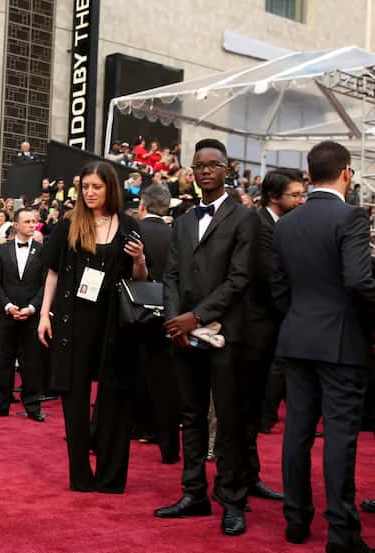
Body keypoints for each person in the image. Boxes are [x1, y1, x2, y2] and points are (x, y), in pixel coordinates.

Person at [273, 141, 375, 553]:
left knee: (296, 433)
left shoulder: (286, 223)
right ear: (347, 173)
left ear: (309, 175)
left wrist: (300, 319)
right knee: (339, 436)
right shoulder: (351, 216)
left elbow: (278, 289)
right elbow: (359, 281)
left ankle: (296, 521)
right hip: (340, 342)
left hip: (296, 337)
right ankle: (341, 532)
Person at [155, 138, 258, 537]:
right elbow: (170, 277)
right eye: (198, 165)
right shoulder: (182, 221)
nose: (205, 170)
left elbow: (239, 280)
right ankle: (193, 492)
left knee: (229, 417)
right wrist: (173, 322)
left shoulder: (243, 218)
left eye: (213, 164)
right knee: (191, 415)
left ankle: (232, 499)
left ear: (228, 169)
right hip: (182, 334)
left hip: (224, 333)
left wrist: (195, 317)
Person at [37, 160, 148, 493]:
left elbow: (140, 280)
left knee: (115, 397)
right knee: (74, 398)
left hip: (115, 323)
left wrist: (140, 258)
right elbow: (53, 273)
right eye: (85, 187)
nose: (89, 193)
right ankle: (81, 476)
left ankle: (111, 477)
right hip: (74, 323)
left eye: (96, 187)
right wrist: (44, 315)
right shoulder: (70, 225)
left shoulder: (128, 226)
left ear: (110, 188)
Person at [243, 171, 305, 503]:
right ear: (274, 197)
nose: (301, 200)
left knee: (255, 410)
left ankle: (249, 476)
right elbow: (269, 280)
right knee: (246, 408)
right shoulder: (258, 226)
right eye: (295, 195)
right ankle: (240, 481)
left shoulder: (278, 225)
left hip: (271, 329)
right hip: (254, 330)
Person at [0, 208, 46, 422]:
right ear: (15, 225)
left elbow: (46, 284)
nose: (31, 225)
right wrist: (8, 306)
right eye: (27, 221)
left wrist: (32, 308)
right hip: (7, 314)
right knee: (6, 361)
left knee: (31, 363)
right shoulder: (2, 250)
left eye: (33, 221)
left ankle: (32, 407)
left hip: (31, 315)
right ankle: (2, 404)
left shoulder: (42, 250)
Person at [134, 184, 180, 464]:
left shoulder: (134, 231)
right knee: (164, 379)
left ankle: (132, 426)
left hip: (132, 313)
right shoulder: (176, 235)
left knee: (127, 372)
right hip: (168, 314)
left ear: (142, 206)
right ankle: (162, 437)